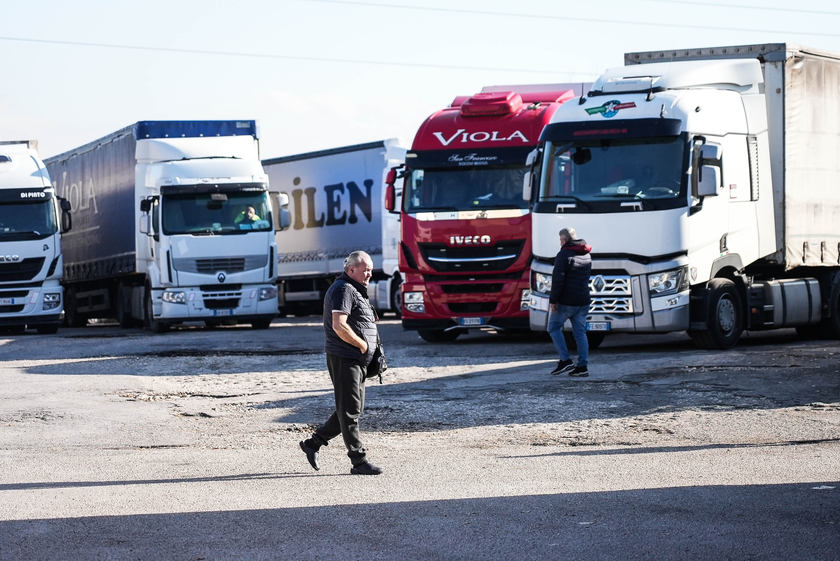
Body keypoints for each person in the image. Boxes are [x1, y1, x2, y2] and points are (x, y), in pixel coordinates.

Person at [299, 250, 383, 475]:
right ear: (351, 269)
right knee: (349, 411)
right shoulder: (343, 289)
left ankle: (313, 444)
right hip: (345, 357)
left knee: (351, 408)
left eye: (371, 271)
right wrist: (363, 345)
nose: (369, 275)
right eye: (365, 270)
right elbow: (339, 325)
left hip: (356, 360)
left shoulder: (354, 289)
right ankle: (358, 461)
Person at [547, 227, 592, 377]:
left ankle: (565, 360)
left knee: (553, 327)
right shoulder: (586, 255)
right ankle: (582, 366)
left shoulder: (563, 254)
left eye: (560, 240)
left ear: (564, 240)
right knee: (580, 333)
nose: (560, 242)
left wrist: (553, 300)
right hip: (583, 300)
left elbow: (558, 279)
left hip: (567, 301)